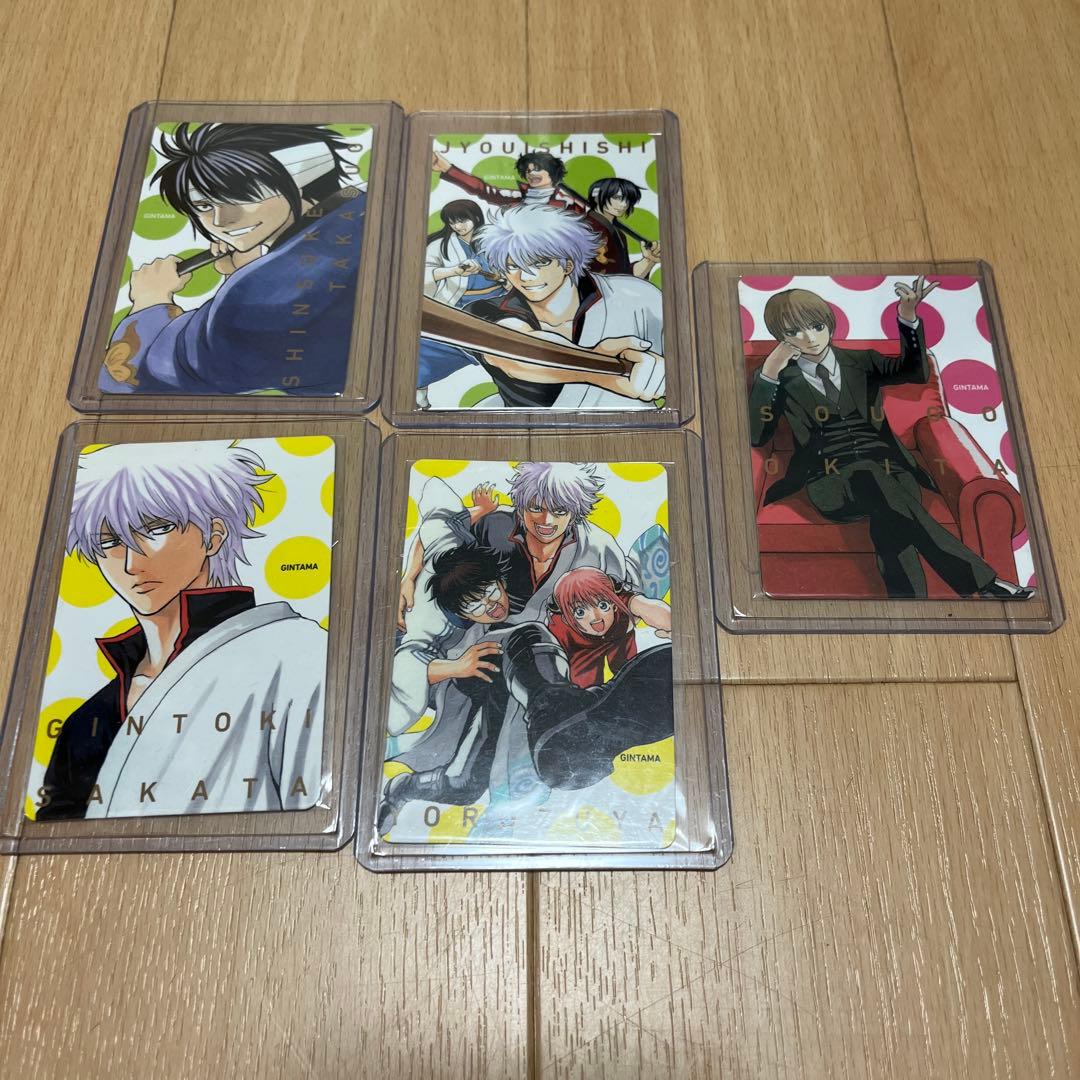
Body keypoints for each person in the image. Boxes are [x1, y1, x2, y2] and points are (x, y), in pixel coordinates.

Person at [35, 442, 327, 820]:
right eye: (109, 542)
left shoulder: (297, 652)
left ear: (214, 535)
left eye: (156, 529)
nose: (130, 562)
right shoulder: (86, 720)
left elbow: (317, 813)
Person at [750, 278, 1034, 600]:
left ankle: (910, 605)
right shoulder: (779, 378)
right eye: (794, 332)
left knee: (888, 515)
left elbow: (915, 372)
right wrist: (769, 372)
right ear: (781, 338)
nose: (810, 338)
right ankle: (985, 584)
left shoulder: (862, 362)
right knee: (876, 483)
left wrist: (907, 317)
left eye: (816, 326)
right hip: (828, 481)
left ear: (829, 324)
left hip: (893, 469)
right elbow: (757, 435)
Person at [377, 543, 674, 832]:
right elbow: (407, 661)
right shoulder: (442, 627)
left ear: (500, 581)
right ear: (461, 613)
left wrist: (636, 603)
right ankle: (556, 712)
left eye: (491, 591)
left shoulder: (531, 593)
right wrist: (456, 666)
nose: (490, 605)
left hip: (509, 695)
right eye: (474, 605)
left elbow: (589, 586)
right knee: (527, 634)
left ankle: (404, 787)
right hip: (472, 684)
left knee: (462, 785)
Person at [100, 123, 366, 396]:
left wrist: (150, 301)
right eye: (204, 205)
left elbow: (143, 381)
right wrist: (248, 271)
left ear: (301, 178)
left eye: (241, 195)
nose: (221, 220)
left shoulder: (252, 298)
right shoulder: (363, 210)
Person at [463, 204, 666, 409]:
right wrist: (600, 368)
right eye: (513, 266)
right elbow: (515, 353)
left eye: (540, 262)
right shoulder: (484, 311)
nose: (526, 276)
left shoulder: (636, 296)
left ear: (568, 263)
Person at [417, 199, 503, 409]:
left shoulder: (495, 240)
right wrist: (454, 270)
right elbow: (422, 273)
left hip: (499, 304)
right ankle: (418, 390)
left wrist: (495, 274)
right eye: (453, 222)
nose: (458, 226)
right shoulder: (441, 245)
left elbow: (512, 268)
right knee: (428, 349)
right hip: (459, 307)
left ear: (476, 217)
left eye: (463, 220)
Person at [547, 566, 670, 688]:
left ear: (613, 604)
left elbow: (651, 608)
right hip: (581, 652)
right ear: (566, 619)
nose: (595, 618)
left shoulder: (621, 603)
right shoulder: (558, 628)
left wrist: (671, 626)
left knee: (631, 677)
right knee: (584, 689)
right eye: (580, 612)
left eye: (603, 605)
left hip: (618, 639)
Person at [432, 148, 586, 212]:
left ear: (552, 172)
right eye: (528, 170)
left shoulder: (569, 203)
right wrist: (447, 168)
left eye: (537, 169)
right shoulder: (517, 197)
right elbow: (483, 190)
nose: (531, 173)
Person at [585, 177, 662, 279]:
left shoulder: (619, 234)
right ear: (597, 197)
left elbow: (624, 275)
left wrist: (649, 260)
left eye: (628, 199)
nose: (624, 204)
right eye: (617, 197)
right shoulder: (584, 228)